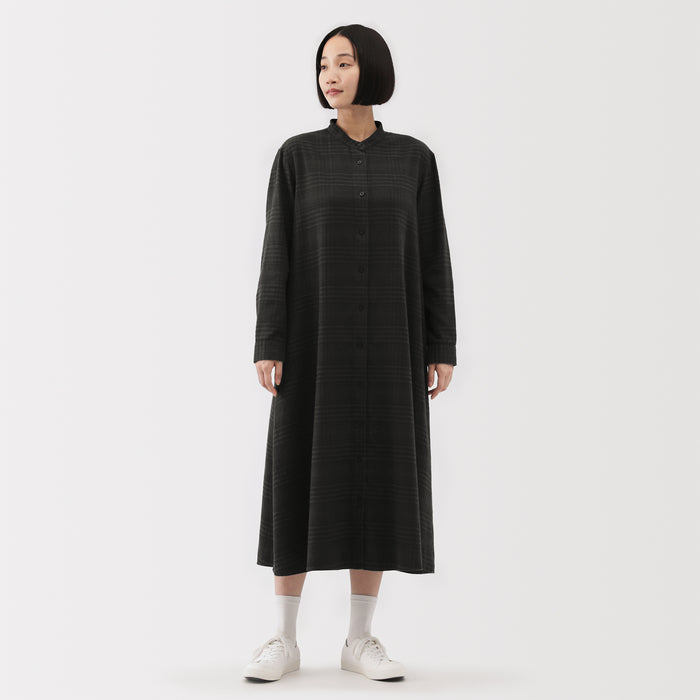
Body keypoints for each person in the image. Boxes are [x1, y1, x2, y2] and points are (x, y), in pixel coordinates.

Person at [244, 24, 457, 683]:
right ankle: (283, 639)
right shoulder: (297, 157)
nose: (330, 75)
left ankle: (360, 639)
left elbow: (433, 257)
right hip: (311, 346)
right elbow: (276, 253)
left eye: (343, 63)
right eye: (322, 65)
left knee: (379, 477)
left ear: (374, 70)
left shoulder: (414, 160)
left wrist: (441, 344)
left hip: (393, 345)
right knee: (297, 472)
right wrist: (270, 340)